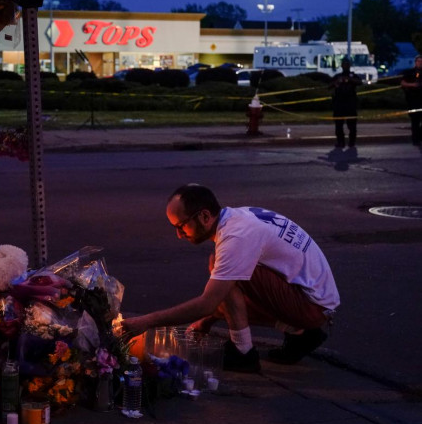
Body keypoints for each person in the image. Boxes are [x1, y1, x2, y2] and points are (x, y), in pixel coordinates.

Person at [122, 184, 340, 373]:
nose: (179, 235)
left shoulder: (237, 236)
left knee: (222, 269)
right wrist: (208, 321)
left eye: (181, 226)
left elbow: (208, 303)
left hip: (313, 305)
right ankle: (300, 333)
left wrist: (145, 322)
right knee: (224, 272)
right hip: (312, 298)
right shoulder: (235, 218)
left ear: (205, 216)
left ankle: (242, 353)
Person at [329, 57, 362, 148]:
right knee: (338, 125)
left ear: (349, 65)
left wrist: (349, 80)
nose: (346, 66)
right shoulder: (338, 76)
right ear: (342, 66)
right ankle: (341, 142)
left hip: (350, 104)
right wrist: (337, 82)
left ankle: (351, 143)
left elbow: (360, 82)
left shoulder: (352, 76)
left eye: (347, 64)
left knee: (352, 125)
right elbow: (329, 85)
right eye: (344, 64)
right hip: (339, 104)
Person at [400, 54, 422, 146]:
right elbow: (403, 83)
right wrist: (412, 85)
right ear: (415, 62)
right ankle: (415, 139)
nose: (420, 63)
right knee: (415, 121)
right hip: (413, 100)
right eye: (418, 61)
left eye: (421, 62)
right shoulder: (409, 72)